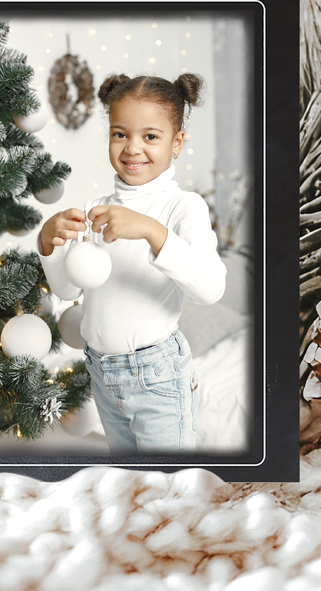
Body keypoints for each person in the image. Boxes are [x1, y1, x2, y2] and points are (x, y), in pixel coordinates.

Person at [38, 73, 226, 455]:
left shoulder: (182, 207)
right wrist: (47, 243)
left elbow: (210, 289)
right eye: (120, 134)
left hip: (157, 376)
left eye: (151, 136)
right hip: (102, 372)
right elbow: (68, 289)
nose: (132, 148)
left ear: (177, 143)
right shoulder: (96, 209)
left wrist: (151, 231)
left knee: (167, 486)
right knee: (131, 481)